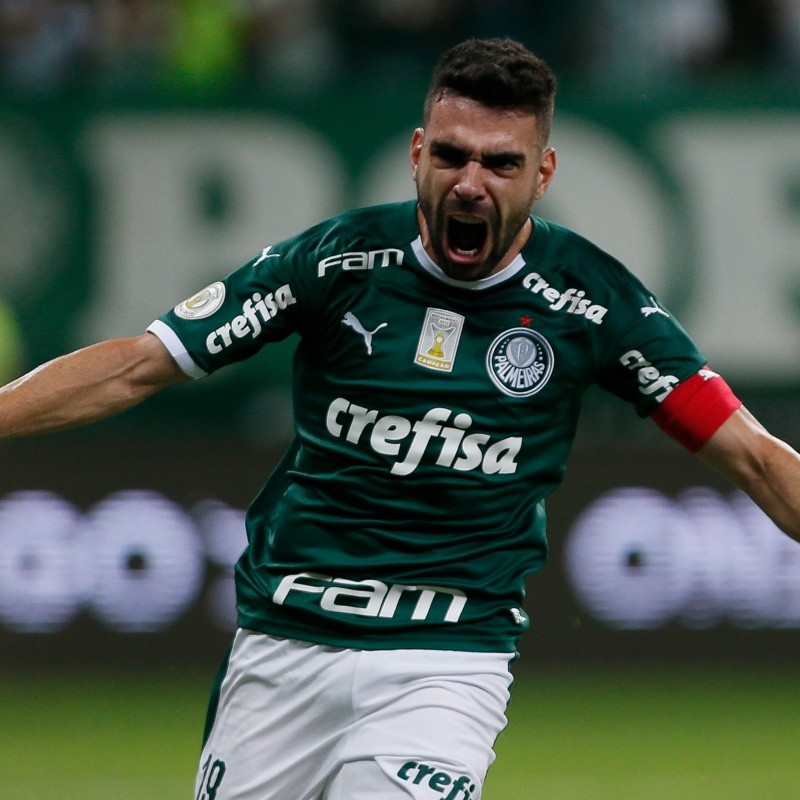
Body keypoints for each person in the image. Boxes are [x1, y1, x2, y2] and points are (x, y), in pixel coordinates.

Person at [1, 36, 799, 800]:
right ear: (417, 152)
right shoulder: (334, 262)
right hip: (284, 642)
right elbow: (142, 364)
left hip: (446, 661)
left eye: (501, 162)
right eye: (451, 155)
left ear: (543, 173)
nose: (470, 184)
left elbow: (754, 456)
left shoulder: (597, 303)